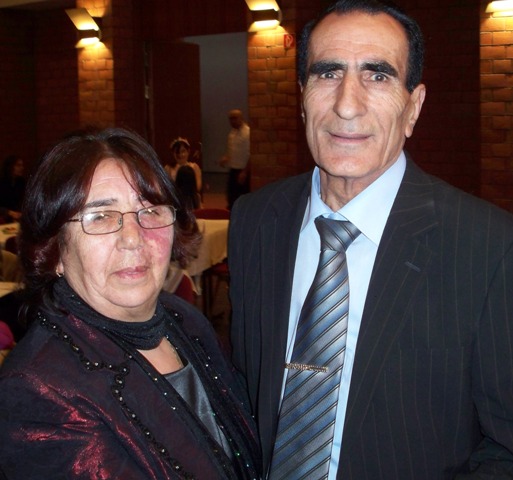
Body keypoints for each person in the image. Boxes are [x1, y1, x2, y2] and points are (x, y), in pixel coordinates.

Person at [228, 1, 513, 479]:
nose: (347, 104)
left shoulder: (488, 248)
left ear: (413, 107)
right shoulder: (255, 220)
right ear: (303, 97)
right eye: (328, 74)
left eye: (378, 76)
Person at [0, 127, 261, 479]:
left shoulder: (183, 319)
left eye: (150, 210)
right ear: (55, 250)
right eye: (101, 216)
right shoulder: (38, 392)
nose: (133, 238)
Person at [220, 109, 250, 209]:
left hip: (243, 171)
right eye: (230, 119)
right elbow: (231, 151)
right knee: (231, 198)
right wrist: (226, 158)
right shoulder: (232, 133)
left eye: (235, 118)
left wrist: (245, 172)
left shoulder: (248, 133)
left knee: (243, 198)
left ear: (241, 118)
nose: (232, 121)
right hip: (233, 170)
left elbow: (251, 154)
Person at [0, 154, 26, 222]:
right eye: (18, 165)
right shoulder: (1, 182)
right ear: (10, 167)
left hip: (16, 217)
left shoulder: (21, 182)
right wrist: (9, 212)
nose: (22, 168)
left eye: (22, 165)